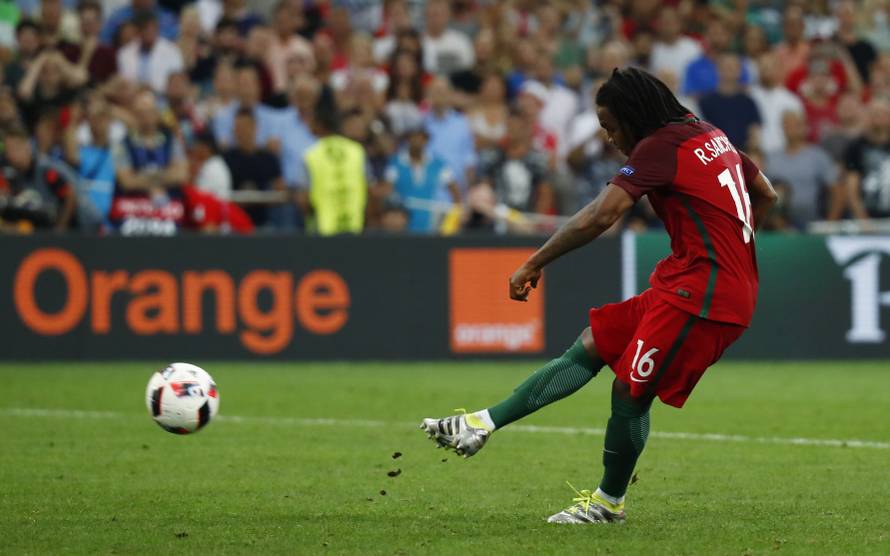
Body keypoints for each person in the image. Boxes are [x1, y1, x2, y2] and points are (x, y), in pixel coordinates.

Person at [421, 67, 778, 524]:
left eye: (610, 126)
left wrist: (535, 261)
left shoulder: (658, 147)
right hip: (692, 281)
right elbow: (765, 194)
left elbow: (599, 216)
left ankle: (608, 504)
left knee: (630, 390)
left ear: (632, 116)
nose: (609, 137)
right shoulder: (708, 133)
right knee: (593, 343)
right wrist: (736, 253)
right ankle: (480, 424)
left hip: (704, 294)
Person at [296, 91, 369, 235]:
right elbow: (369, 190)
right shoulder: (356, 150)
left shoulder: (312, 154)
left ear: (319, 124)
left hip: (322, 230)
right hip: (355, 227)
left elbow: (303, 199)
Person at [765, 111, 842, 227]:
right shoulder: (771, 159)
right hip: (778, 227)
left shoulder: (818, 157)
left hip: (813, 224)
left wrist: (829, 223)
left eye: (795, 125)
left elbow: (837, 192)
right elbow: (762, 193)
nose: (790, 129)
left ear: (804, 127)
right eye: (786, 125)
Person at [383, 126, 458, 233]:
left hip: (430, 219)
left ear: (426, 140)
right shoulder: (396, 163)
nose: (417, 142)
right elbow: (387, 190)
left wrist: (451, 220)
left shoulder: (438, 164)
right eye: (413, 138)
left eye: (421, 138)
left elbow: (455, 193)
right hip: (403, 219)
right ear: (407, 140)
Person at [698, 54, 761, 150]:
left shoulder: (748, 102)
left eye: (733, 67)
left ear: (739, 71)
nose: (729, 70)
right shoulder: (706, 102)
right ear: (718, 70)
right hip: (717, 153)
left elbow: (754, 133)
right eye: (726, 67)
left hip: (742, 153)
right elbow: (703, 133)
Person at [116, 11, 184, 93]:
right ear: (138, 32)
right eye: (146, 29)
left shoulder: (172, 51)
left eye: (153, 28)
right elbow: (124, 82)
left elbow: (177, 83)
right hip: (133, 96)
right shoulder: (125, 53)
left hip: (163, 96)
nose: (150, 32)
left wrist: (153, 88)